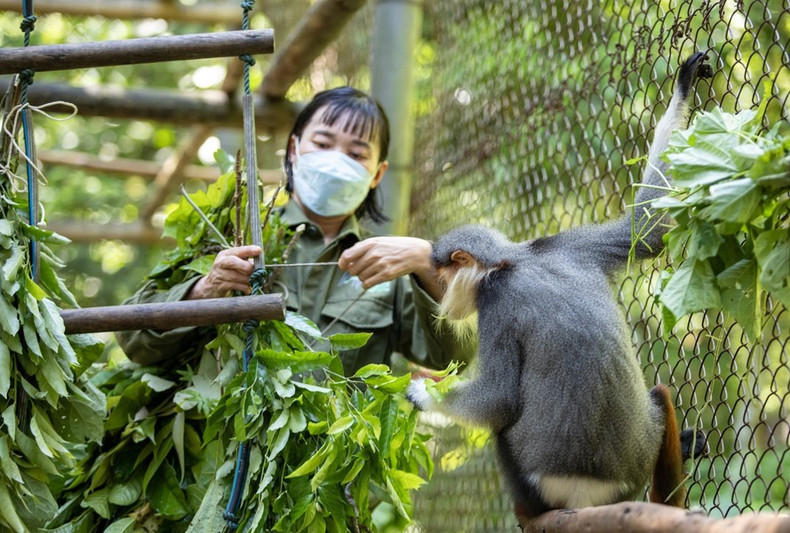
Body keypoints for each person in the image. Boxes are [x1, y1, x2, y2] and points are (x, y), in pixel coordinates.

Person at [117, 86, 473, 374]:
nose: (336, 160)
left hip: (330, 460)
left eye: (356, 154)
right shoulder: (230, 236)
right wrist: (206, 288)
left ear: (377, 173)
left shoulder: (390, 268)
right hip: (226, 456)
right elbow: (133, 339)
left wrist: (428, 263)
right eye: (322, 143)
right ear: (294, 148)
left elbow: (456, 359)